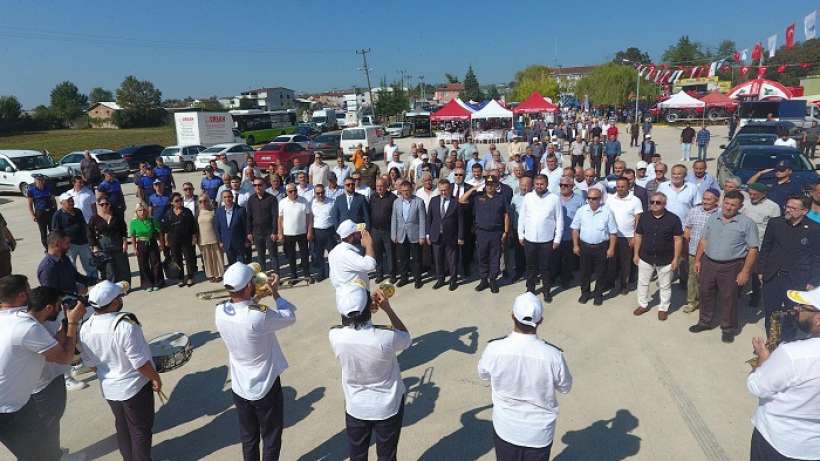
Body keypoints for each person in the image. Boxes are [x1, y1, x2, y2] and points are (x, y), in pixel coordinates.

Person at [214, 262, 295, 461]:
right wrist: (275, 294)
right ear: (249, 286)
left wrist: (259, 296)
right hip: (265, 385)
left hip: (240, 386)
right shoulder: (258, 315)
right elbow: (289, 316)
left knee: (249, 438)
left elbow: (242, 307)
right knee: (271, 437)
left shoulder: (220, 311)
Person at [477, 292, 572, 461]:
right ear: (540, 320)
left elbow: (483, 375)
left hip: (506, 429)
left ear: (513, 316)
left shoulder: (494, 349)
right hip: (539, 434)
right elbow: (565, 387)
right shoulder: (553, 355)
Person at [0, 275, 85, 461]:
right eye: (29, 289)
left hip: (19, 402)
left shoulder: (8, 319)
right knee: (35, 455)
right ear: (23, 295)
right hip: (8, 410)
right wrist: (72, 322)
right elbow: (64, 358)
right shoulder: (25, 325)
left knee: (43, 445)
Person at [80, 280, 161, 461]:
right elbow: (140, 363)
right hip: (134, 388)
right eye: (119, 296)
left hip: (109, 389)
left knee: (123, 427)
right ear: (115, 303)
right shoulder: (125, 325)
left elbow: (90, 363)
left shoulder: (86, 327)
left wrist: (107, 374)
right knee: (140, 430)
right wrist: (155, 378)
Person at [329, 283, 410, 461]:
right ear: (367, 307)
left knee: (357, 456)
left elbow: (349, 325)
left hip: (356, 408)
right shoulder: (385, 337)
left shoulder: (335, 336)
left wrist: (363, 312)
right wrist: (387, 309)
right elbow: (406, 338)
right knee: (387, 456)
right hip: (387, 407)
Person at [746, 286, 820, 461]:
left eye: (804, 308)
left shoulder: (793, 355)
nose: (796, 309)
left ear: (818, 319)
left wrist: (763, 362)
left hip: (776, 443)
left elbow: (756, 386)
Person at [690, 190, 759, 343]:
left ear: (740, 206)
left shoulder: (747, 223)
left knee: (729, 297)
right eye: (726, 203)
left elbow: (753, 249)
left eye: (733, 205)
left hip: (732, 266)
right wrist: (698, 260)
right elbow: (703, 240)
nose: (728, 207)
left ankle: (728, 328)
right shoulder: (713, 217)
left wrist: (745, 272)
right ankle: (705, 322)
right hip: (709, 262)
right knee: (705, 292)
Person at [758, 195, 820, 335]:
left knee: (793, 313)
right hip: (773, 276)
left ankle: (788, 341)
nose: (788, 210)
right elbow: (766, 247)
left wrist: (813, 281)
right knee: (771, 312)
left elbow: (817, 257)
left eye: (793, 208)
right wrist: (761, 270)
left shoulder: (814, 229)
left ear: (804, 211)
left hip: (797, 279)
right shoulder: (775, 223)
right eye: (787, 206)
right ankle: (772, 342)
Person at [632, 192, 683, 321]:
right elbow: (638, 236)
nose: (654, 204)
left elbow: (678, 239)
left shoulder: (674, 219)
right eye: (652, 202)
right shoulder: (644, 217)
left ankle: (663, 308)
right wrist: (636, 254)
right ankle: (643, 304)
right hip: (645, 257)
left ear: (664, 204)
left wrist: (676, 259)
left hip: (666, 259)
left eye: (658, 202)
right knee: (643, 283)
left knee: (665, 285)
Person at [459, 175, 510, 294]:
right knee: (482, 257)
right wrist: (472, 189)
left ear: (495, 185)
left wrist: (506, 232)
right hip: (481, 232)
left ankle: (492, 280)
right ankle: (483, 280)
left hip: (496, 232)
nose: (490, 187)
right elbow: (461, 200)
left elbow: (506, 215)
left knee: (495, 257)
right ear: (485, 185)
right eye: (488, 185)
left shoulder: (501, 198)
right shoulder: (478, 197)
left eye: (492, 185)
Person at [518, 174, 563, 302]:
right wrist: (521, 235)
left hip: (547, 240)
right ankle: (530, 289)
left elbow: (559, 220)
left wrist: (557, 239)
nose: (539, 186)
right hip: (530, 239)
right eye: (537, 184)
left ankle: (547, 290)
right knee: (530, 267)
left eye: (542, 184)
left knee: (545, 268)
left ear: (547, 184)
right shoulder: (528, 197)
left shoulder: (554, 198)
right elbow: (522, 217)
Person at [571, 188, 617, 306]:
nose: (591, 201)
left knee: (601, 273)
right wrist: (575, 245)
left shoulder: (607, 212)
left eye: (595, 198)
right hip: (585, 247)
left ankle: (598, 295)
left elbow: (613, 233)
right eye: (589, 198)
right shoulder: (581, 211)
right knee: (585, 272)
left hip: (601, 247)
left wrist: (611, 248)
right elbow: (575, 229)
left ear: (600, 198)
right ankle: (585, 293)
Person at [741, 183, 782, 306]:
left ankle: (756, 295)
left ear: (764, 194)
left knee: (755, 272)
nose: (752, 196)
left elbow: (776, 228)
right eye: (750, 194)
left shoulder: (773, 207)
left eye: (755, 194)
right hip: (742, 243)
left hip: (759, 244)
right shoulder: (745, 203)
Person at [681, 189, 720, 314]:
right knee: (693, 277)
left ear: (717, 200)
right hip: (693, 250)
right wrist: (685, 247)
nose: (705, 201)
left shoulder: (721, 213)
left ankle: (708, 302)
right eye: (704, 198)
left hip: (713, 253)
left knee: (710, 279)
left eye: (709, 199)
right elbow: (687, 229)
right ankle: (692, 301)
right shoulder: (694, 211)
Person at [607, 177, 644, 296]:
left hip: (628, 237)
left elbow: (638, 220)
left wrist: (635, 237)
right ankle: (611, 283)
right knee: (611, 262)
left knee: (625, 263)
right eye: (618, 186)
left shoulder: (635, 200)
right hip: (612, 236)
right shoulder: (610, 198)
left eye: (623, 186)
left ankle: (624, 285)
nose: (620, 189)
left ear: (628, 186)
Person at [391, 180, 426, 289]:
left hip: (415, 235)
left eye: (407, 190)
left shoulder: (419, 202)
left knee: (416, 259)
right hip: (401, 235)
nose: (405, 193)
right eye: (403, 190)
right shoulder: (396, 202)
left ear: (411, 190)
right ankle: (404, 278)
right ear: (400, 191)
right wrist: (394, 235)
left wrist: (422, 236)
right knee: (403, 258)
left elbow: (422, 220)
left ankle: (417, 279)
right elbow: (394, 219)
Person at [52, 192, 96, 278]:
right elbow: (56, 232)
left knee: (90, 264)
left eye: (72, 200)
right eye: (69, 201)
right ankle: (74, 282)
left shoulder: (78, 211)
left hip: (84, 243)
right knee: (71, 265)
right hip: (69, 246)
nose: (72, 202)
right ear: (62, 203)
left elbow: (84, 226)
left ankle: (93, 279)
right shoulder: (57, 215)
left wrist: (90, 240)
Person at [89, 196, 131, 285]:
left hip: (117, 242)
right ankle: (112, 290)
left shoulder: (117, 216)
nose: (104, 206)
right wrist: (94, 246)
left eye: (106, 204)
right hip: (103, 245)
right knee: (109, 269)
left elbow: (123, 229)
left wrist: (125, 242)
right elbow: (90, 233)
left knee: (122, 266)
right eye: (102, 204)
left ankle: (125, 287)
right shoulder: (94, 218)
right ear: (98, 205)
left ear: (109, 205)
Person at [427, 179, 460, 291]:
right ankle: (440, 279)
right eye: (441, 190)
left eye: (445, 190)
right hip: (436, 235)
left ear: (449, 189)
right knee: (438, 259)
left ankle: (453, 280)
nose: (443, 192)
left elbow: (460, 221)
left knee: (452, 259)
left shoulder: (456, 202)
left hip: (451, 236)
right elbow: (429, 218)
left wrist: (460, 237)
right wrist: (428, 234)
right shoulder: (434, 200)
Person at [553, 176, 584, 288]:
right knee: (554, 260)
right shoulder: (554, 198)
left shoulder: (579, 200)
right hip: (555, 236)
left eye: (566, 185)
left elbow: (582, 218)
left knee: (567, 260)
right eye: (561, 185)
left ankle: (566, 280)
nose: (563, 187)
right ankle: (554, 277)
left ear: (572, 186)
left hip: (570, 236)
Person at [278, 183, 313, 282]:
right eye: (290, 191)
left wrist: (309, 231)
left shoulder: (304, 201)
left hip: (302, 233)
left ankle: (307, 274)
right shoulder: (282, 202)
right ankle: (294, 276)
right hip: (288, 234)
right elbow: (280, 219)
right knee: (291, 256)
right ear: (286, 192)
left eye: (295, 190)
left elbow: (308, 217)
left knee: (305, 255)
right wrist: (280, 233)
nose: (293, 193)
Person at [328, 219, 376, 289]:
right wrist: (369, 245)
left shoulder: (334, 251)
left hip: (348, 294)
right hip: (353, 297)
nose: (360, 234)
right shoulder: (347, 254)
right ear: (350, 237)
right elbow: (370, 265)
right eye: (358, 232)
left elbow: (333, 278)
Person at [246, 178, 280, 274]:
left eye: (260, 185)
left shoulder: (272, 199)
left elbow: (275, 217)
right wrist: (249, 232)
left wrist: (274, 232)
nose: (257, 187)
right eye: (255, 185)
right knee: (260, 256)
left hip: (269, 232)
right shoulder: (251, 199)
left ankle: (276, 275)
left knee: (273, 255)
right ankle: (263, 276)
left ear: (265, 186)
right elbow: (249, 217)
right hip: (257, 233)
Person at [164, 192, 198, 286]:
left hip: (186, 239)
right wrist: (166, 240)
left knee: (189, 258)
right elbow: (166, 229)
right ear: (172, 203)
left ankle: (190, 277)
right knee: (177, 259)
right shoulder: (168, 214)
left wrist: (194, 237)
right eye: (176, 201)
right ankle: (181, 278)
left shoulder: (187, 211)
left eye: (180, 200)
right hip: (174, 240)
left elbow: (193, 226)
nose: (179, 202)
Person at [129, 202, 164, 292]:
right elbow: (132, 236)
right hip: (141, 243)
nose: (142, 212)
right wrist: (134, 248)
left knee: (155, 262)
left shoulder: (152, 220)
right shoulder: (134, 222)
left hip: (152, 242)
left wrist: (161, 244)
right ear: (136, 212)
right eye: (140, 210)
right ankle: (147, 284)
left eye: (144, 210)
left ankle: (158, 282)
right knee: (143, 264)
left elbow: (159, 232)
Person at [370, 178, 397, 283]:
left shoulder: (392, 198)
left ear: (386, 186)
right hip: (375, 231)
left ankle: (392, 275)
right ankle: (379, 275)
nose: (379, 188)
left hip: (388, 231)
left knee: (390, 254)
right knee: (378, 254)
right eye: (377, 186)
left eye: (381, 186)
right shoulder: (373, 197)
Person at [216, 189, 249, 265]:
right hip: (227, 242)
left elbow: (246, 226)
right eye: (225, 197)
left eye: (229, 196)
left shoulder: (241, 210)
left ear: (232, 197)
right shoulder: (219, 211)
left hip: (239, 242)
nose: (227, 199)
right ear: (222, 199)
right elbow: (217, 228)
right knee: (232, 264)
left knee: (241, 264)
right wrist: (220, 241)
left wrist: (247, 240)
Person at [197, 193, 225, 282]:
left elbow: (219, 225)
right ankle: (210, 274)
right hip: (203, 239)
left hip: (214, 238)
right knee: (207, 258)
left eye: (205, 201)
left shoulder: (214, 211)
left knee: (217, 257)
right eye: (200, 201)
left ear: (208, 201)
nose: (203, 203)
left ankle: (219, 274)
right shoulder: (198, 213)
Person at [309, 184, 335, 281]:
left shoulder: (332, 202)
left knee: (332, 254)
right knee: (318, 254)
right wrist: (310, 232)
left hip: (330, 231)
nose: (320, 195)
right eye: (318, 193)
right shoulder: (311, 203)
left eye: (322, 192)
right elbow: (310, 218)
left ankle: (334, 273)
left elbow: (336, 217)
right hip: (317, 231)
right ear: (314, 193)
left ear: (325, 192)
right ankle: (321, 273)